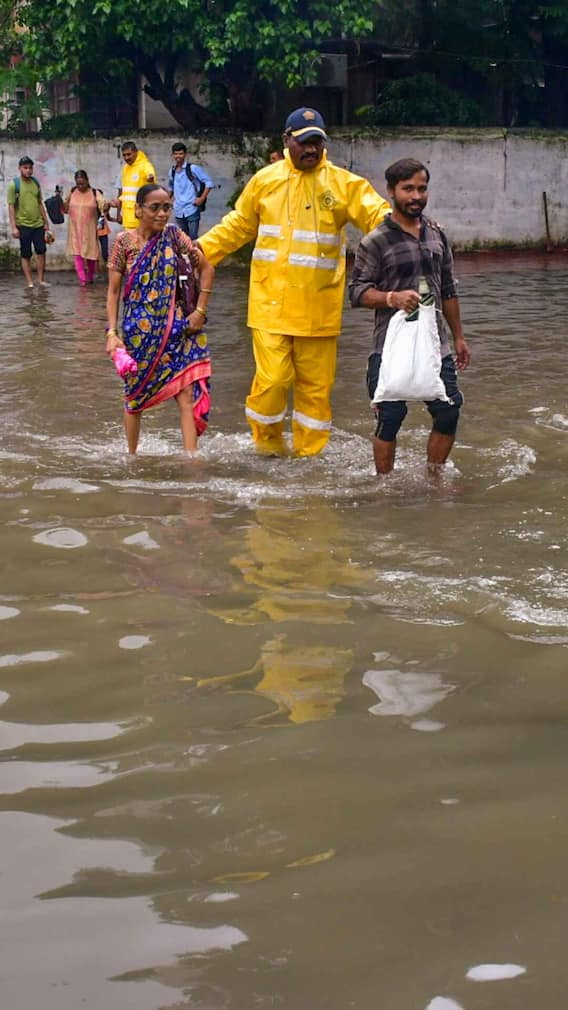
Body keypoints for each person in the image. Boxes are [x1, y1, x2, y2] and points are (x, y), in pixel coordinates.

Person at [198, 107, 391, 457]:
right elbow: (238, 225)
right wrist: (198, 252)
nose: (311, 150)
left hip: (320, 309)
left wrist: (405, 231)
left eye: (317, 142)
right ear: (287, 140)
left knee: (315, 391)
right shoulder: (265, 180)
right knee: (271, 382)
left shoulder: (345, 185)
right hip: (270, 304)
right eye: (304, 142)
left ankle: (310, 459)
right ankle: (267, 448)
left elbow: (377, 216)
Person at [348, 158, 471, 476]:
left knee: (448, 412)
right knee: (390, 417)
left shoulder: (437, 234)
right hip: (390, 343)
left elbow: (447, 289)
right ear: (391, 191)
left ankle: (434, 477)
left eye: (422, 188)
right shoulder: (376, 241)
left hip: (436, 342)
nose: (416, 196)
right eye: (408, 189)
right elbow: (357, 293)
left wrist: (458, 337)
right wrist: (392, 298)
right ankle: (383, 486)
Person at [105, 184, 215, 456]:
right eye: (155, 208)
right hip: (137, 335)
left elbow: (207, 268)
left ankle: (192, 460)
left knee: (186, 392)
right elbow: (113, 291)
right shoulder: (124, 243)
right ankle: (132, 458)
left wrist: (199, 311)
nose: (162, 214)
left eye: (167, 207)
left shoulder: (175, 237)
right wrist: (112, 333)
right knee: (134, 398)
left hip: (177, 330)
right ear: (138, 210)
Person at [6, 155, 51, 288]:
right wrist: (13, 227)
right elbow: (11, 206)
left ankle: (41, 280)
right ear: (20, 168)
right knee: (26, 254)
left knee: (41, 252)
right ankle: (30, 282)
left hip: (38, 224)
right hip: (23, 225)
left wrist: (46, 222)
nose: (28, 170)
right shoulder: (14, 185)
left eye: (30, 168)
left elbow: (40, 203)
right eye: (25, 168)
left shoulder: (35, 183)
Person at [62, 170, 106, 285]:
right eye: (78, 184)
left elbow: (102, 205)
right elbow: (65, 207)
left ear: (87, 181)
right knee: (77, 253)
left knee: (90, 253)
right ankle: (82, 279)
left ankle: (90, 276)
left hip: (90, 228)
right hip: (75, 228)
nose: (80, 186)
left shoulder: (95, 193)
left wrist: (107, 205)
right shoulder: (72, 192)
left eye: (83, 183)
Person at [168, 142, 214, 239]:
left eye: (180, 153)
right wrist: (167, 201)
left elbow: (209, 183)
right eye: (176, 154)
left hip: (191, 208)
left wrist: (201, 198)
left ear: (185, 154)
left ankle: (196, 254)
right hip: (178, 210)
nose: (178, 156)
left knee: (193, 239)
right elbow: (171, 187)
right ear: (172, 155)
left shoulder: (193, 169)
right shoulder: (172, 171)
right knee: (183, 240)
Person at [115, 141, 156, 230]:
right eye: (124, 155)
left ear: (136, 152)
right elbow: (123, 193)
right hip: (128, 218)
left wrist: (150, 178)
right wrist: (119, 213)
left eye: (129, 154)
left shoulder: (145, 165)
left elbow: (150, 175)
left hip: (141, 218)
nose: (126, 158)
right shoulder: (125, 168)